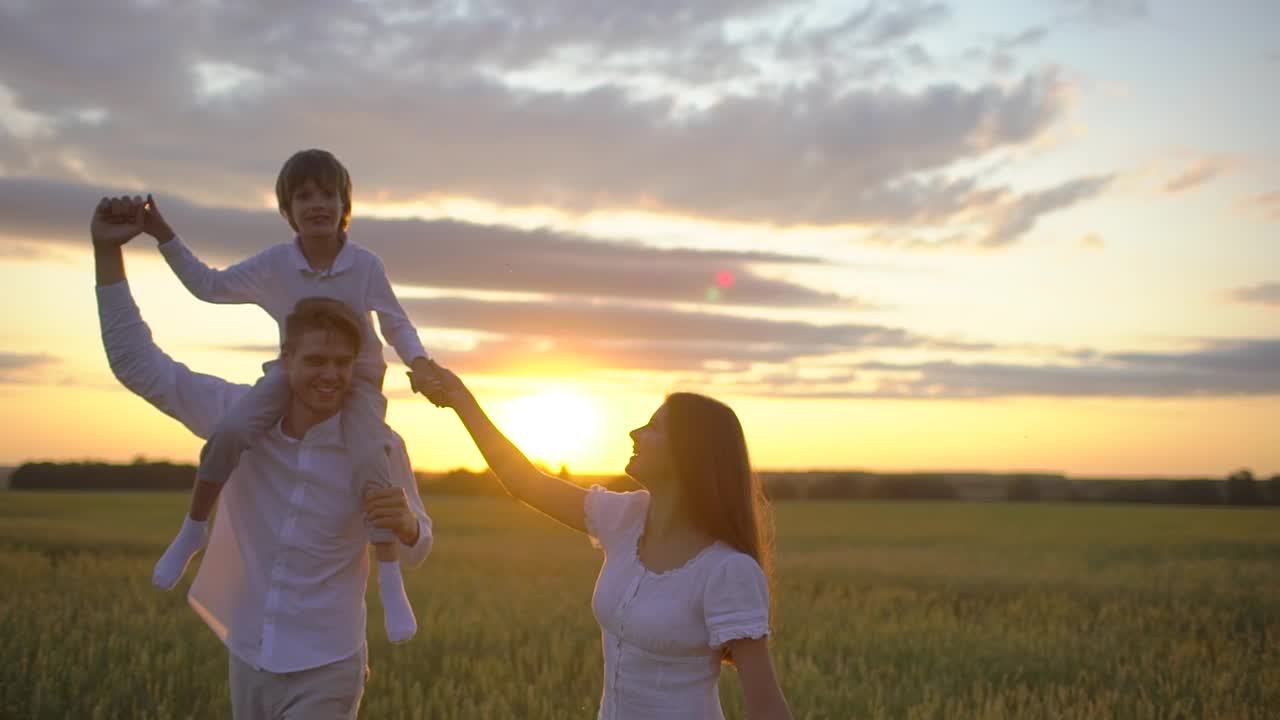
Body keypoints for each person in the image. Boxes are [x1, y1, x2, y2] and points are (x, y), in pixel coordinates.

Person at [91, 196, 433, 719]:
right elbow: (138, 365)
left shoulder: (380, 445)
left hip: (329, 663)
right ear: (285, 359)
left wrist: (409, 524)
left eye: (343, 363)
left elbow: (419, 542)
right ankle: (191, 534)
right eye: (315, 360)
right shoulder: (237, 414)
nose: (330, 375)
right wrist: (106, 255)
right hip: (247, 651)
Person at [138, 149, 431, 643]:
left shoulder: (364, 265)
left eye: (327, 195)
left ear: (345, 205)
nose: (317, 204)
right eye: (303, 196)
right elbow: (208, 286)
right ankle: (192, 530)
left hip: (356, 380)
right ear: (287, 210)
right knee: (229, 432)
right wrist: (163, 234)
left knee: (369, 461)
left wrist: (419, 362)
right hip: (291, 373)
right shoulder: (276, 264)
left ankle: (389, 578)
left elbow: (395, 322)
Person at [410, 364, 793, 719]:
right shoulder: (624, 518)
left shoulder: (727, 570)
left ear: (687, 454)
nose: (634, 433)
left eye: (653, 428)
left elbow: (766, 704)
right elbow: (524, 481)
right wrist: (461, 400)